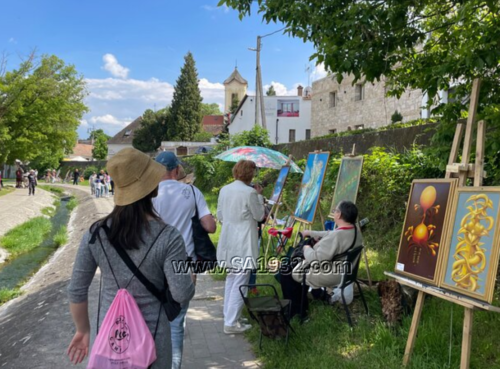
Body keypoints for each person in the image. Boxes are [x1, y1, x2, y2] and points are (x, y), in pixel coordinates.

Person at [67, 147, 195, 368]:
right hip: (153, 343)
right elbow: (181, 293)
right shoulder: (169, 236)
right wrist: (190, 276)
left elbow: (77, 289)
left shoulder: (96, 233)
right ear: (152, 187)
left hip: (111, 340)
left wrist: (83, 330)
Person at [153, 151, 216, 369]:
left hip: (155, 264)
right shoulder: (191, 191)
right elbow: (209, 226)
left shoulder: (148, 194)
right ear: (177, 169)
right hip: (185, 264)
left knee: (154, 318)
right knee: (177, 322)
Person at [280, 200, 363, 319]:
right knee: (294, 267)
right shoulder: (355, 231)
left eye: (335, 211)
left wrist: (306, 248)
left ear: (339, 215)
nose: (334, 213)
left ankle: (297, 312)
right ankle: (320, 295)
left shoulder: (336, 237)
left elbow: (315, 260)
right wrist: (311, 232)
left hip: (330, 273)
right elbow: (331, 234)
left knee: (287, 271)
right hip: (347, 272)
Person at [217, 160, 265, 334]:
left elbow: (220, 215)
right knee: (241, 282)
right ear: (250, 174)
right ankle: (230, 323)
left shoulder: (224, 190)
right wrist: (259, 196)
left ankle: (229, 316)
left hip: (228, 240)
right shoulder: (250, 193)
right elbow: (259, 215)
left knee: (231, 278)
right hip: (243, 242)